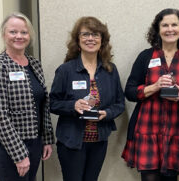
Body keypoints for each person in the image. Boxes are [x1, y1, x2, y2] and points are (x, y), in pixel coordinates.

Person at [121, 8, 179, 181]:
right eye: (165, 25)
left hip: (178, 129)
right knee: (149, 178)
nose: (170, 29)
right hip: (148, 127)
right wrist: (154, 86)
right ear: (158, 30)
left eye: (174, 24)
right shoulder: (145, 56)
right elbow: (129, 91)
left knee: (170, 178)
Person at [50, 16, 125, 181]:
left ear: (102, 41)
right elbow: (53, 103)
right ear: (78, 40)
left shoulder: (110, 70)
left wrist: (107, 113)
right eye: (85, 34)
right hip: (71, 142)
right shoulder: (66, 70)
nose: (90, 38)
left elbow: (120, 103)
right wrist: (73, 105)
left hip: (98, 142)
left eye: (95, 34)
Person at [0, 12, 55, 180]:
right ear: (4, 34)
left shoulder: (35, 64)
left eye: (24, 32)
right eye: (13, 32)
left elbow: (42, 104)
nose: (19, 36)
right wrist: (19, 154)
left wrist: (46, 138)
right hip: (7, 145)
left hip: (34, 141)